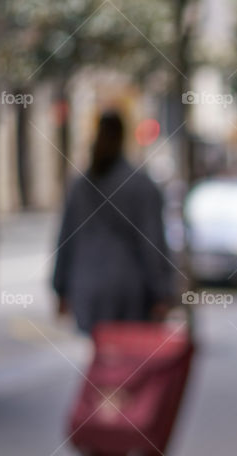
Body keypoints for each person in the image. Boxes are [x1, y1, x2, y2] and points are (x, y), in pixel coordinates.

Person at [53, 111, 173, 333]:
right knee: (128, 357)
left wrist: (60, 288)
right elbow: (153, 243)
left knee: (103, 357)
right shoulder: (141, 186)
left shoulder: (79, 186)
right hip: (129, 290)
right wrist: (163, 291)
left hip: (87, 288)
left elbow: (65, 239)